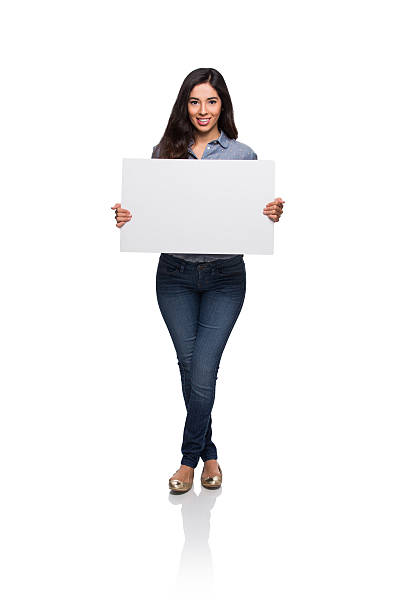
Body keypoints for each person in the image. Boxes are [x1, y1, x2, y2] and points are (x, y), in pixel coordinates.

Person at [111, 68, 284, 493]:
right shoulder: (164, 152)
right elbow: (150, 213)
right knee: (190, 367)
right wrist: (128, 217)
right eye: (194, 101)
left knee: (203, 369)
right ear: (183, 106)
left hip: (225, 277)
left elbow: (253, 214)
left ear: (222, 105)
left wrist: (270, 214)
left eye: (211, 101)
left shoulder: (242, 156)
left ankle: (188, 460)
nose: (202, 110)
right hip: (175, 276)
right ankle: (210, 455)